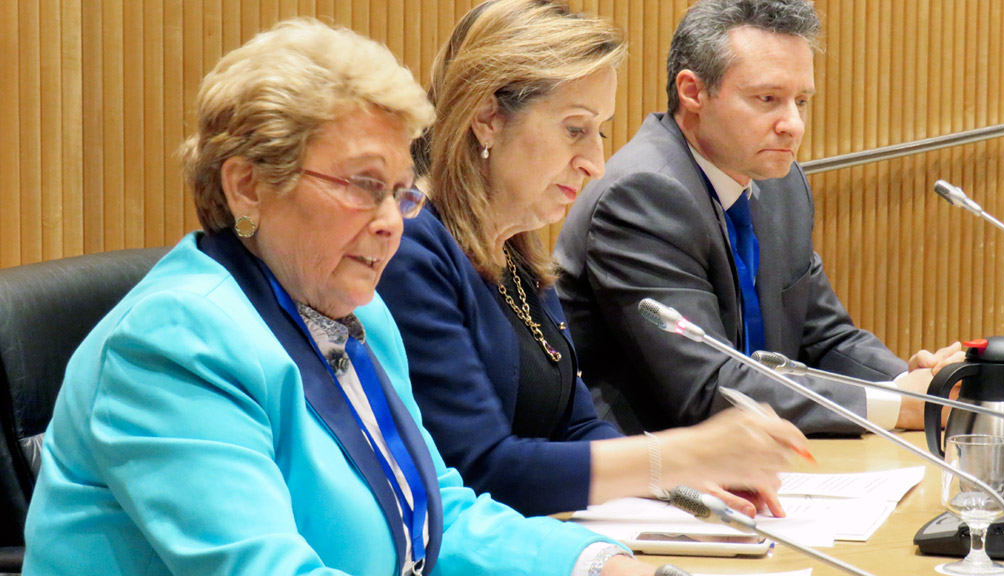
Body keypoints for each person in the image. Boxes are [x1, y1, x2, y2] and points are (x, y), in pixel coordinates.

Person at [21, 18, 669, 576]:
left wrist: (595, 562)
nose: (391, 221)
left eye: (399, 191)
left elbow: (439, 512)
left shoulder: (359, 316)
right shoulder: (174, 343)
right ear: (248, 186)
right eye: (361, 185)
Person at [369, 0, 807, 522]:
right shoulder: (411, 248)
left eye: (598, 132)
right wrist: (680, 455)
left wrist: (681, 482)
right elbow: (482, 469)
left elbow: (577, 428)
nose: (596, 164)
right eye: (575, 129)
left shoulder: (517, 252)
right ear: (487, 118)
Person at [555, 0, 962, 437]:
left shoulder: (781, 184)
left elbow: (827, 339)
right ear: (693, 92)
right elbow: (709, 389)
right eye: (768, 99)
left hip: (758, 459)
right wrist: (896, 404)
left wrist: (922, 386)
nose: (793, 124)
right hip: (654, 473)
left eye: (801, 101)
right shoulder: (641, 195)